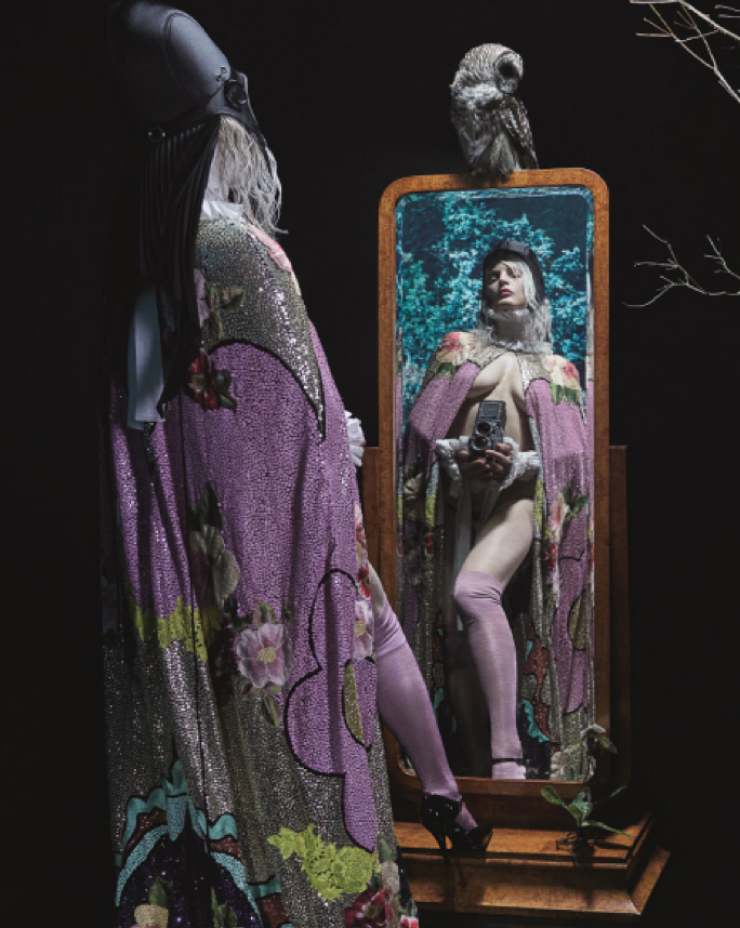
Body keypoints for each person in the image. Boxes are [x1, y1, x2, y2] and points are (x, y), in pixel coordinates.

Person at [101, 4, 483, 927]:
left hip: (255, 490)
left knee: (348, 623)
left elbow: (162, 393)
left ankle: (438, 794)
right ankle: (427, 805)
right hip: (257, 499)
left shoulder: (186, 238)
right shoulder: (221, 238)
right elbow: (252, 380)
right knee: (330, 635)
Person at [399, 240, 594, 782]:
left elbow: (572, 460)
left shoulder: (557, 369)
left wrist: (517, 464)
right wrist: (458, 457)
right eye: (492, 275)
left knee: (474, 592)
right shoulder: (457, 348)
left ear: (534, 285)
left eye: (513, 272)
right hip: (455, 500)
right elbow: (420, 430)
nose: (501, 280)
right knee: (456, 639)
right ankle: (477, 769)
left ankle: (508, 757)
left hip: (517, 497)